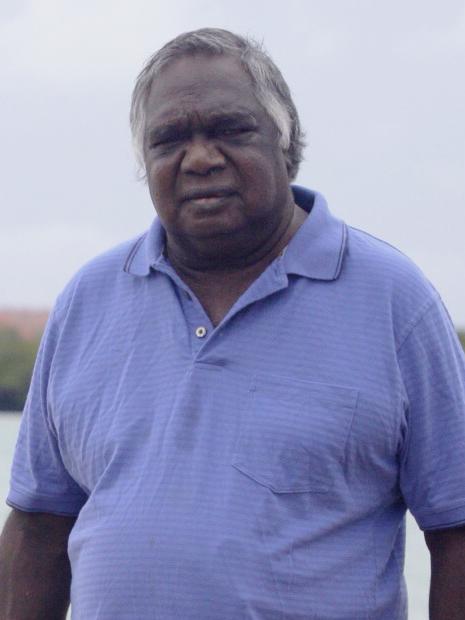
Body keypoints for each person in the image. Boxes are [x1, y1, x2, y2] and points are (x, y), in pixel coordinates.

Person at [1, 27, 465, 620]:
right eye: (169, 140)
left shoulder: (396, 301)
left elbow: (454, 530)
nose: (199, 158)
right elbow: (38, 525)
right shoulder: (87, 301)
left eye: (229, 130)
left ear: (286, 138)